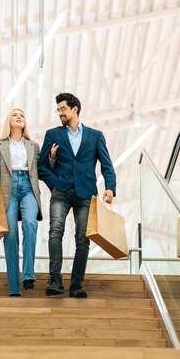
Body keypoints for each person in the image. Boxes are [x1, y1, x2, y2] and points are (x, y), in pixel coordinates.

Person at [38, 93, 116, 298]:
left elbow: (107, 165)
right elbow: (42, 166)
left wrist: (110, 188)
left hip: (86, 193)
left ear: (75, 109)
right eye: (58, 110)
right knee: (55, 231)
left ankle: (76, 284)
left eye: (62, 109)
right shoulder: (53, 134)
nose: (59, 113)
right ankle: (55, 281)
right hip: (61, 192)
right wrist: (55, 184)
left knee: (83, 239)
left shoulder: (95, 135)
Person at [0, 108, 42, 297]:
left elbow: (43, 168)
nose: (19, 117)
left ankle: (28, 275)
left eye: (22, 115)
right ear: (9, 121)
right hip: (7, 190)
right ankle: (14, 287)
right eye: (15, 115)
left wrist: (53, 158)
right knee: (10, 234)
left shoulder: (33, 146)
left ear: (25, 122)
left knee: (30, 224)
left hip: (28, 187)